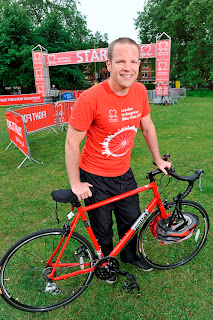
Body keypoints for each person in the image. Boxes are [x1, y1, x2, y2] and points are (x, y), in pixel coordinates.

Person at [65, 38, 171, 281]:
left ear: (139, 64)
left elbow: (147, 126)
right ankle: (106, 265)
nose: (128, 67)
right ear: (109, 64)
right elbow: (72, 142)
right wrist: (75, 183)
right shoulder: (91, 98)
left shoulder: (140, 91)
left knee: (131, 221)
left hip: (124, 173)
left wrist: (158, 159)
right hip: (94, 176)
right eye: (121, 61)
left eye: (133, 61)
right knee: (102, 229)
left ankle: (129, 256)